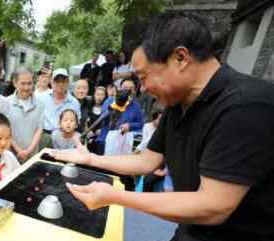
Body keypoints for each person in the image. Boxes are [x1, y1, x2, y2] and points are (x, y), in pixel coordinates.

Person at [51, 12, 274, 241]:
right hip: (189, 231)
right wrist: (91, 159)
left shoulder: (246, 106)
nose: (143, 88)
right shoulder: (178, 104)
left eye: (144, 76)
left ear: (180, 57)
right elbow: (147, 160)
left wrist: (115, 196)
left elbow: (213, 205)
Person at [7, 68, 44, 162]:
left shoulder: (40, 104)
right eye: (23, 83)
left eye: (29, 83)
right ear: (15, 83)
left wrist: (28, 151)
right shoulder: (5, 103)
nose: (26, 87)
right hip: (10, 156)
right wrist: (19, 150)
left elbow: (39, 130)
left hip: (32, 156)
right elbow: (5, 131)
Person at [39, 68, 80, 149]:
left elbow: (76, 122)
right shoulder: (41, 97)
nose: (60, 84)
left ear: (68, 82)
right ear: (52, 82)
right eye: (57, 81)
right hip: (44, 136)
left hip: (64, 138)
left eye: (63, 81)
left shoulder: (74, 102)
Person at [86, 86, 107, 153]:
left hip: (100, 139)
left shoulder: (107, 109)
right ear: (94, 95)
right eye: (97, 94)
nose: (99, 97)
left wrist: (102, 130)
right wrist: (87, 130)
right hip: (88, 137)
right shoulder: (88, 107)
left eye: (102, 95)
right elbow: (84, 121)